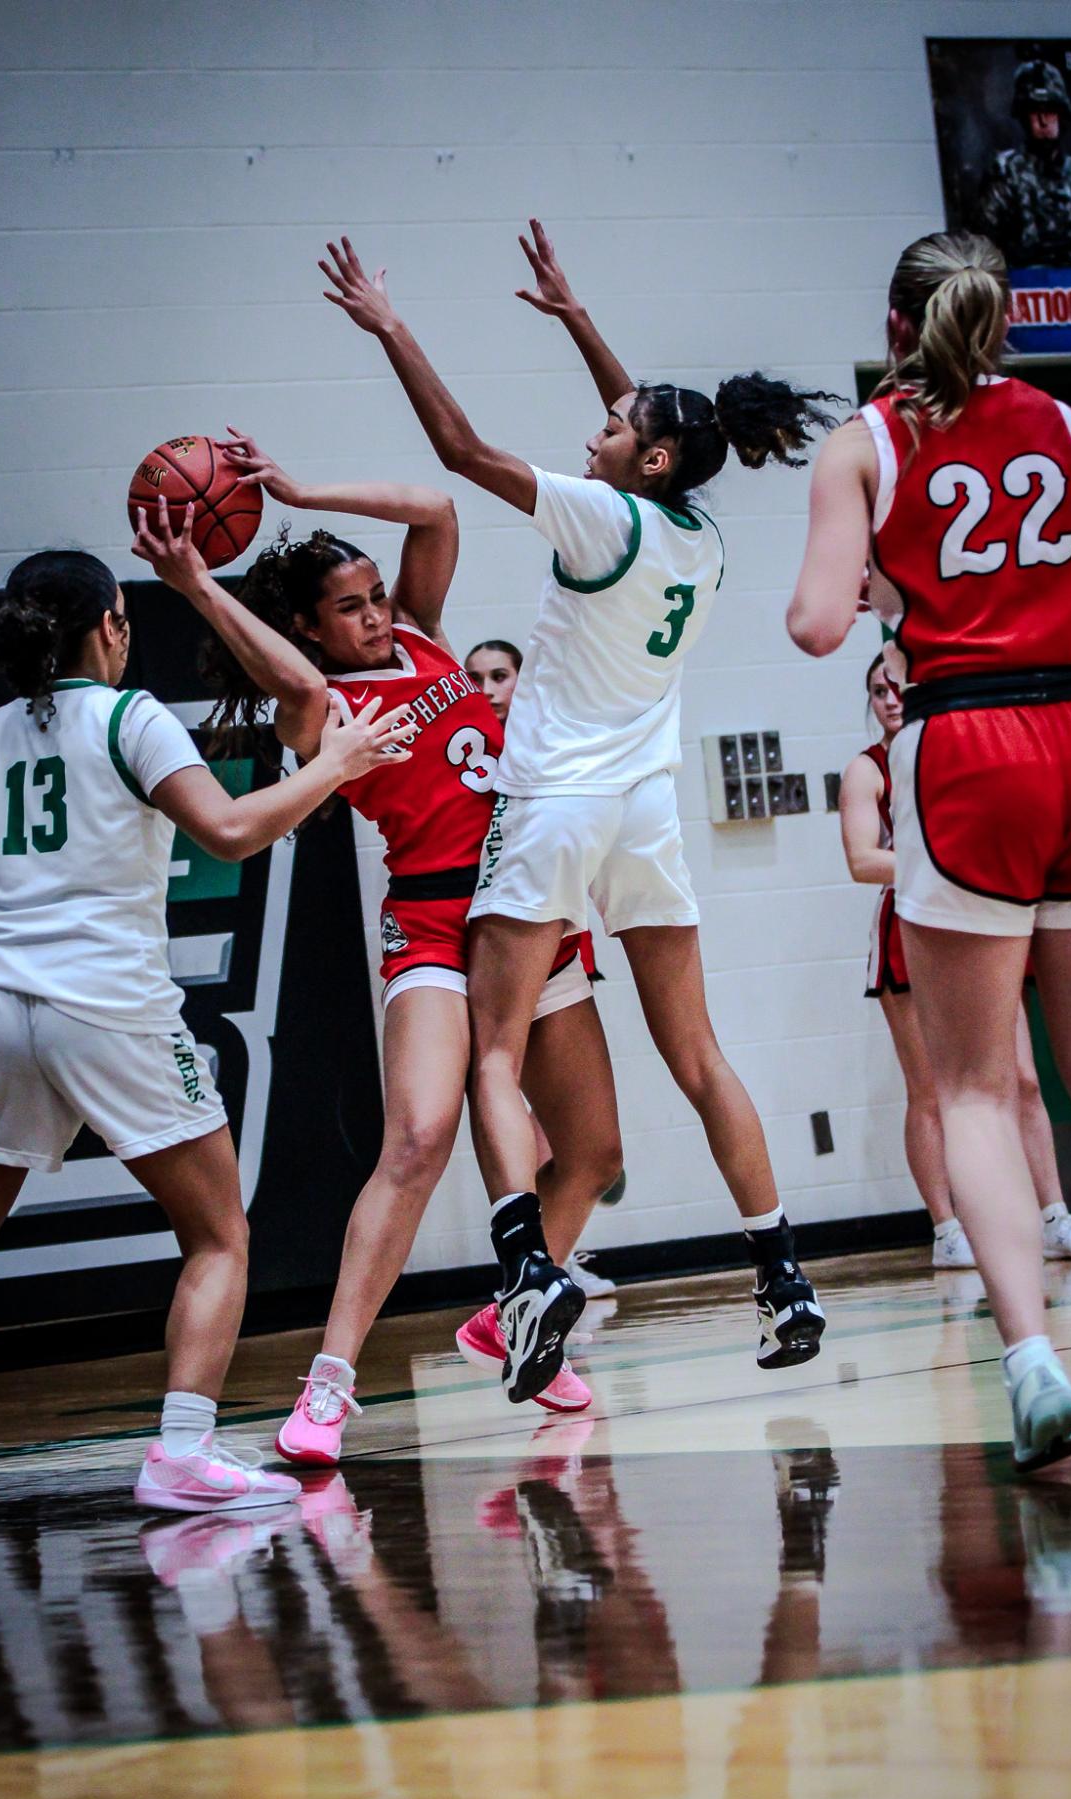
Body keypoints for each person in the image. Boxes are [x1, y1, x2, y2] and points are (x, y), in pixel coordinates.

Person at [319, 221, 837, 1404]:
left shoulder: (598, 516)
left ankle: (526, 1270)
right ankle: (782, 1272)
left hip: (553, 806)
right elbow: (658, 427)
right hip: (645, 812)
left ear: (644, 460)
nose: (595, 429)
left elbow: (458, 449)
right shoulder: (697, 539)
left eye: (613, 428)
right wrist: (579, 323)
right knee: (697, 1054)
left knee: (494, 1057)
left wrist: (392, 327)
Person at [788, 229, 1071, 1470]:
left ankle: (1030, 1363)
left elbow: (819, 625)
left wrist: (892, 580)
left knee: (976, 1086)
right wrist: (1060, 570)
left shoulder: (862, 444)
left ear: (893, 326)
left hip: (969, 743)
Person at [0, 511, 411, 1509]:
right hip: (106, 1000)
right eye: (123, 618)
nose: (128, 634)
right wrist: (332, 769)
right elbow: (224, 833)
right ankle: (180, 1453)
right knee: (218, 1234)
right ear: (105, 628)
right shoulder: (132, 719)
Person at [198, 437, 625, 1455]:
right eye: (349, 608)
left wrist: (305, 483)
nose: (376, 613)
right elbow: (285, 676)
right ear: (305, 629)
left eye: (374, 596)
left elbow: (434, 507)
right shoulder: (323, 707)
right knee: (418, 1139)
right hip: (433, 921)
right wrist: (189, 581)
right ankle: (329, 1386)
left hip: (528, 907)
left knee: (595, 1153)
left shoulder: (427, 640)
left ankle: (508, 1316)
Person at [841, 643, 1071, 1269]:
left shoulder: (959, 751)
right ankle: (947, 1229)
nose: (888, 700)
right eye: (877, 692)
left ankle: (1052, 1216)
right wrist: (947, 865)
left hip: (982, 924)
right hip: (908, 926)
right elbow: (861, 860)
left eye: (895, 688)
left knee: (1021, 1078)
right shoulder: (868, 769)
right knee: (930, 1091)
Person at [463, 635, 617, 1305]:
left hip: (558, 944)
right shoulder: (462, 755)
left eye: (500, 674)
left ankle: (539, 1281)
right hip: (479, 952)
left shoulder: (549, 746)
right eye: (477, 677)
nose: (490, 687)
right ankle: (534, 1275)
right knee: (525, 1128)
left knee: (586, 1148)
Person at [974, 60, 1071, 270]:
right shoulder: (1006, 174)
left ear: (1061, 114)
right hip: (1027, 291)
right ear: (1024, 117)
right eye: (1035, 111)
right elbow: (983, 252)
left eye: (1050, 110)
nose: (1044, 121)